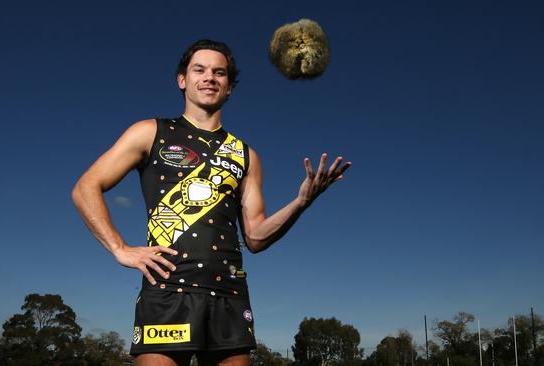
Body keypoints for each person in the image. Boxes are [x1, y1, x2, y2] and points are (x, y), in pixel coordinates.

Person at [72, 39, 351, 366]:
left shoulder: (246, 155)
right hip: (167, 290)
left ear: (229, 87)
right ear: (182, 80)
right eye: (199, 70)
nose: (209, 77)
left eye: (219, 73)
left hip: (230, 295)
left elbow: (256, 237)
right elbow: (86, 187)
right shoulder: (149, 132)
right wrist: (119, 247)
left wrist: (300, 202)